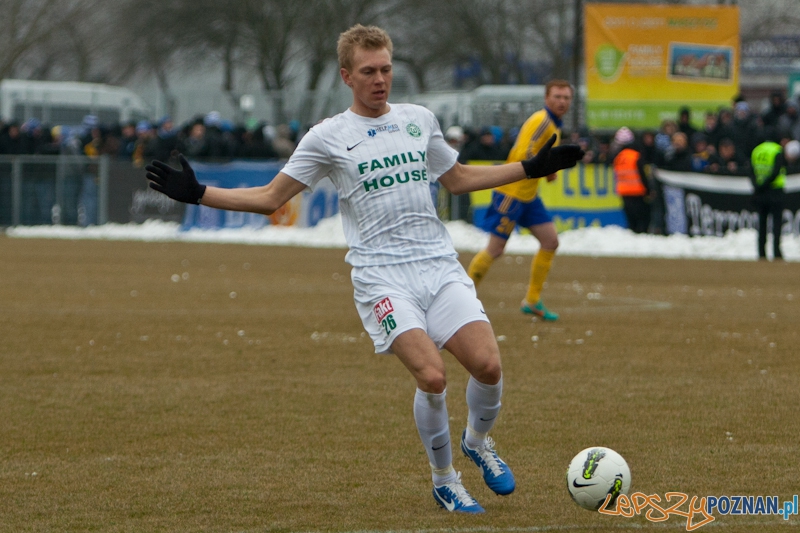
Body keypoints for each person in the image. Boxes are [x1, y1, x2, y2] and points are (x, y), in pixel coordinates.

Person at [145, 24, 583, 515]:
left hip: (437, 267)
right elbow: (271, 197)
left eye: (386, 69)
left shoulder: (419, 120)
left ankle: (478, 442)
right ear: (347, 76)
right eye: (369, 71)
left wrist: (530, 167)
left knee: (489, 366)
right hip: (382, 279)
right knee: (433, 377)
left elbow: (458, 180)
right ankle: (445, 481)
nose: (380, 80)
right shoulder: (327, 137)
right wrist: (200, 194)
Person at [466, 79, 574, 321]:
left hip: (529, 195)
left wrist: (550, 169)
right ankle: (462, 300)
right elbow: (524, 154)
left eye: (566, 98)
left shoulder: (554, 125)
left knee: (550, 241)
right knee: (495, 248)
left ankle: (532, 301)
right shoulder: (541, 121)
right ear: (547, 98)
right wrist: (547, 166)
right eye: (557, 96)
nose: (562, 101)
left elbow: (536, 155)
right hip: (511, 192)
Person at [749, 138, 799, 261]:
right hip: (775, 191)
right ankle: (776, 252)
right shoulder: (777, 150)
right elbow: (776, 170)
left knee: (762, 223)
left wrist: (758, 186)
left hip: (760, 192)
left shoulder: (756, 150)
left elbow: (751, 171)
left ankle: (761, 253)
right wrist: (766, 184)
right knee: (776, 223)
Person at [612, 127, 651, 234]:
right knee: (642, 221)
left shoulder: (618, 158)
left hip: (624, 192)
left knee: (631, 222)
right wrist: (648, 190)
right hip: (638, 192)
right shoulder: (636, 156)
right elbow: (642, 174)